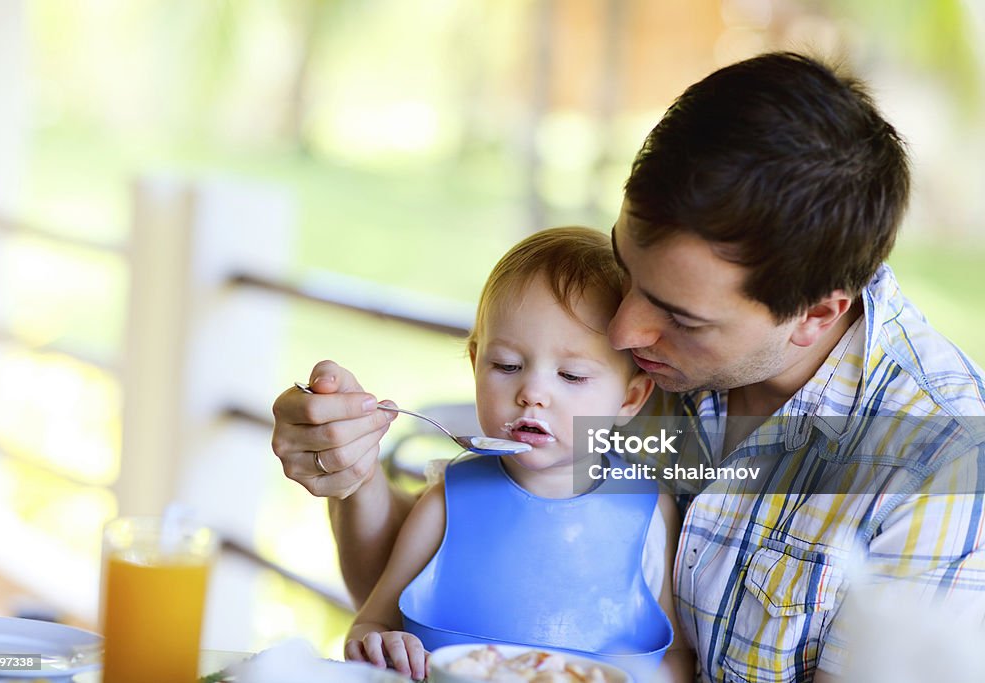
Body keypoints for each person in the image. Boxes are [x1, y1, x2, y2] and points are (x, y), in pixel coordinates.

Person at [271, 52, 985, 683]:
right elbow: (458, 572)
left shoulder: (933, 466)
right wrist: (351, 474)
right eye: (627, 267)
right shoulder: (635, 367)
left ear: (818, 315)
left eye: (679, 314)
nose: (622, 328)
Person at [341, 227, 689, 681]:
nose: (532, 393)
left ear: (630, 399)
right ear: (475, 364)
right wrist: (382, 641)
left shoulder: (650, 513)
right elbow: (371, 624)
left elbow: (676, 656)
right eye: (506, 366)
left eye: (572, 374)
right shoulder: (447, 502)